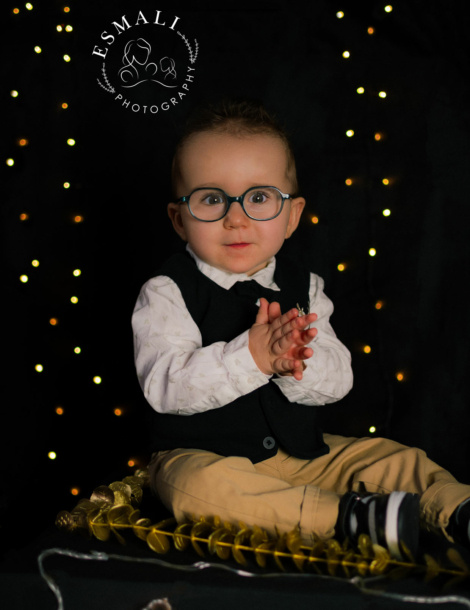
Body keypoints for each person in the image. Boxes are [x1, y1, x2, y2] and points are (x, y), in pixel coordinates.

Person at [131, 96, 470, 561]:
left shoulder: (305, 288)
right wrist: (251, 356)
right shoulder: (167, 291)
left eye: (259, 198)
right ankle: (347, 519)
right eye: (211, 198)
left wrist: (296, 364)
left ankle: (456, 511)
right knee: (192, 488)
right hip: (204, 456)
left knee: (393, 458)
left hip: (303, 457)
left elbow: (338, 382)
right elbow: (164, 387)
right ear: (179, 218)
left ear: (291, 216)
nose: (236, 217)